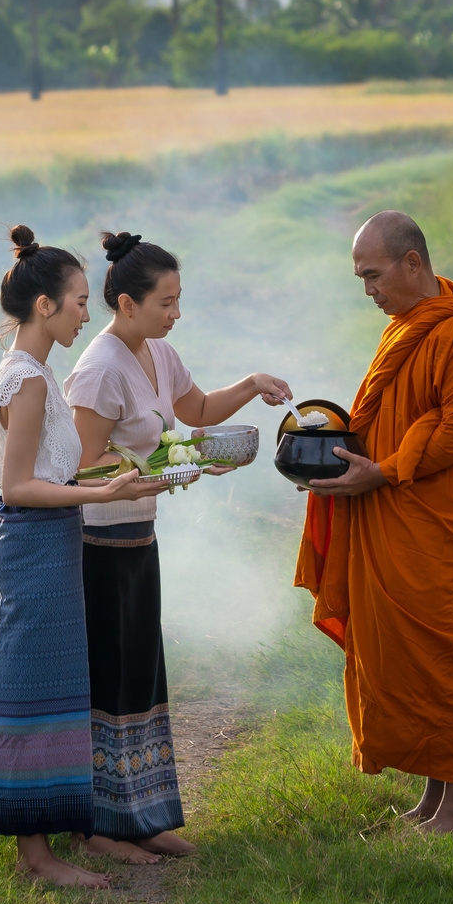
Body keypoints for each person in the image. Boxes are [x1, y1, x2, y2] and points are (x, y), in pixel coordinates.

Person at [64, 230, 292, 862]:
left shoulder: (158, 354)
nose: (176, 313)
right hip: (98, 546)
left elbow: (196, 410)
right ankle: (99, 829)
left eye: (178, 299)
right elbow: (82, 465)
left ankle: (143, 818)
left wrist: (250, 386)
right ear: (127, 304)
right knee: (109, 680)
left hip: (140, 538)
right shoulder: (99, 367)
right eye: (166, 302)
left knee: (143, 674)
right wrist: (163, 460)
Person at [294, 210, 453, 839]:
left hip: (432, 520)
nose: (368, 289)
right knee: (406, 660)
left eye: (373, 274)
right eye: (361, 278)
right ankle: (432, 802)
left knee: (448, 656)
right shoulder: (406, 328)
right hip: (389, 513)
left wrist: (383, 472)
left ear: (412, 262)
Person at [0, 224, 167, 888]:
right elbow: (19, 486)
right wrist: (96, 488)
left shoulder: (35, 372)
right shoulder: (27, 380)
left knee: (55, 690)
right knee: (28, 691)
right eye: (81, 299)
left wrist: (116, 483)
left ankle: (56, 836)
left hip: (48, 540)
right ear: (44, 306)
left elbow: (52, 474)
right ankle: (34, 856)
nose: (90, 312)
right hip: (33, 544)